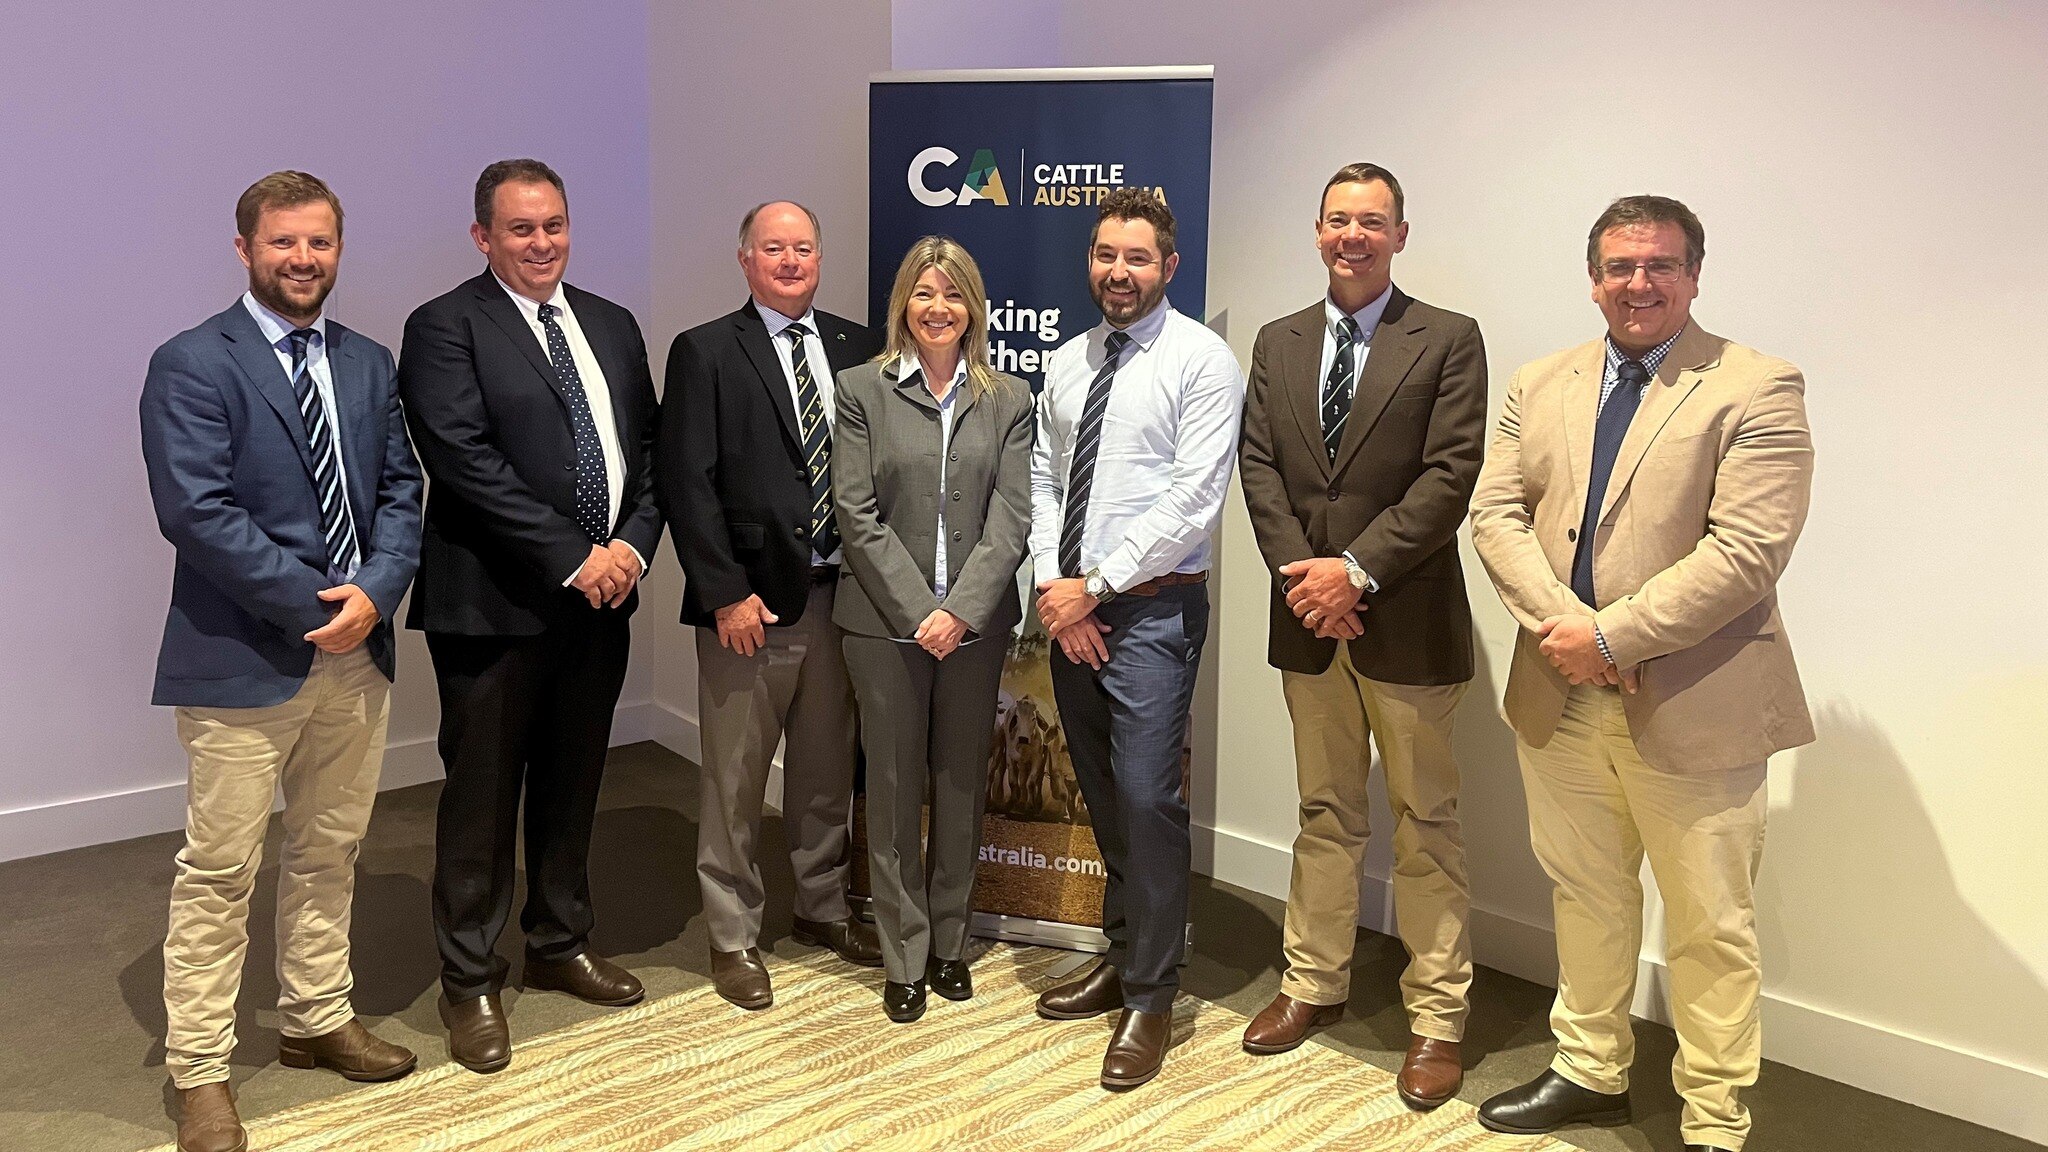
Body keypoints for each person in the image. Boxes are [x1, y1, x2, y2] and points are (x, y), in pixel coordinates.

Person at [1469, 195, 1814, 1152]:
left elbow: (1748, 549)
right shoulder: (1542, 380)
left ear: (1694, 275)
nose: (1639, 283)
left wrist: (1613, 637)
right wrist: (1566, 629)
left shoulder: (1757, 385)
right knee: (1585, 893)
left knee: (1709, 925)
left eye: (1661, 265)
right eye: (1620, 266)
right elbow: (1494, 514)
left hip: (1698, 704)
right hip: (1558, 691)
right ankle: (1590, 1066)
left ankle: (1713, 1117)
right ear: (1594, 278)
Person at [140, 170, 423, 1152]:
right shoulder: (191, 362)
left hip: (359, 653)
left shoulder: (368, 361)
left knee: (329, 849)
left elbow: (400, 490)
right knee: (219, 869)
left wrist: (375, 593)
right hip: (244, 657)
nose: (303, 261)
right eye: (283, 244)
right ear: (244, 249)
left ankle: (316, 1014)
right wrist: (321, 607)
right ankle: (201, 1070)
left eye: (319, 244)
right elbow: (197, 513)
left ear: (337, 250)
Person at [399, 159, 663, 1074]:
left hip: (603, 602)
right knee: (479, 799)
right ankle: (469, 979)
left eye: (554, 224)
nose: (542, 242)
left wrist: (628, 548)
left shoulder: (611, 324)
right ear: (483, 237)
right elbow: (464, 462)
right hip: (495, 606)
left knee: (573, 783)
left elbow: (649, 453)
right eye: (521, 229)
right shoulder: (443, 328)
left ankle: (559, 944)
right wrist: (571, 557)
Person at [1236, 163, 1488, 1109]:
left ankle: (1437, 1015)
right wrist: (1311, 582)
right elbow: (1259, 468)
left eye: (1371, 222)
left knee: (1427, 823)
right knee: (1325, 814)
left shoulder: (1449, 339)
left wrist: (1356, 572)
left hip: (1406, 619)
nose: (1354, 236)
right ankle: (1312, 983)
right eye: (1339, 220)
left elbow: (1449, 475)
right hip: (1310, 624)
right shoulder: (1279, 340)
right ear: (1317, 231)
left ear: (1400, 235)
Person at [1029, 188, 1245, 1089]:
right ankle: (1120, 957)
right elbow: (1043, 474)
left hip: (1152, 612)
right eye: (1106, 255)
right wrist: (1054, 587)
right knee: (1107, 799)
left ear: (1170, 267)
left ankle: (1153, 998)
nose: (1120, 272)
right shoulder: (1069, 360)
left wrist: (1096, 588)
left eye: (1139, 258)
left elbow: (1194, 498)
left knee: (1151, 803)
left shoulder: (1202, 361)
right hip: (1072, 607)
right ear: (1091, 259)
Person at [657, 201, 884, 1009]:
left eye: (804, 248)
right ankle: (732, 934)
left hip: (843, 601)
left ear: (820, 258)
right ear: (746, 259)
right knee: (735, 779)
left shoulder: (860, 346)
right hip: (748, 607)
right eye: (773, 249)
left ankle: (822, 908)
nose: (791, 261)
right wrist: (725, 593)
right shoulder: (706, 351)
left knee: (826, 772)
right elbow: (686, 482)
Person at [832, 237, 1033, 1023]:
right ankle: (903, 954)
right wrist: (922, 613)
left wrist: (960, 612)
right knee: (889, 790)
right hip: (884, 625)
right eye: (923, 294)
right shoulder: (861, 390)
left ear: (973, 306)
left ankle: (950, 942)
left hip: (974, 627)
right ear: (903, 307)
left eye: (952, 295)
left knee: (958, 787)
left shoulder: (1007, 398)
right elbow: (856, 512)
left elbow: (1012, 514)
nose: (938, 308)